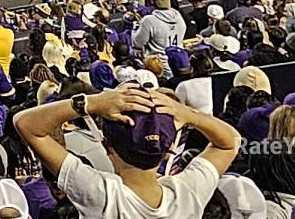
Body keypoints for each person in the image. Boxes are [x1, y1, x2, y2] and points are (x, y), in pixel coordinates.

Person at [13, 83, 238, 219]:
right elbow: (229, 141)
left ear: (107, 146)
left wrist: (90, 103)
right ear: (169, 148)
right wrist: (189, 114)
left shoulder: (102, 194)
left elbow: (26, 124)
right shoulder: (188, 191)